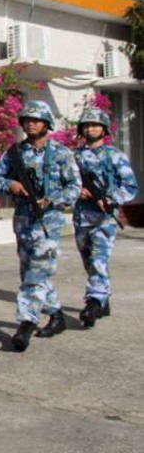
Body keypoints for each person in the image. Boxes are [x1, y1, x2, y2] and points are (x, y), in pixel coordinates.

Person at [0, 100, 81, 352]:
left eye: (36, 120)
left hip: (48, 222)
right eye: (27, 119)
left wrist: (52, 199)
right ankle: (57, 315)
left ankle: (26, 322)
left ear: (47, 124)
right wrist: (11, 185)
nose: (31, 123)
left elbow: (74, 187)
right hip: (23, 220)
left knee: (37, 273)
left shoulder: (62, 153)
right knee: (31, 271)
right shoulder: (14, 153)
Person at [72, 107, 138, 327]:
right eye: (87, 125)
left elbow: (130, 186)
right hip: (82, 216)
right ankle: (102, 298)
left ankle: (92, 303)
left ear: (104, 129)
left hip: (104, 218)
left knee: (99, 259)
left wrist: (111, 198)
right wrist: (77, 191)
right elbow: (64, 182)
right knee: (89, 261)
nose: (91, 128)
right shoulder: (74, 156)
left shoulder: (115, 155)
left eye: (95, 125)